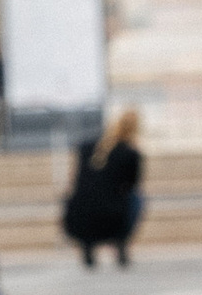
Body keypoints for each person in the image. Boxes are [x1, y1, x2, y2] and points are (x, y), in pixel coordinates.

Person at [61, 108, 144, 267]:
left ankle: (88, 246)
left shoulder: (86, 146)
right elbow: (132, 183)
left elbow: (77, 178)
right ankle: (121, 241)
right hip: (113, 216)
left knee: (86, 193)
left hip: (79, 214)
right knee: (136, 196)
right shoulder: (131, 153)